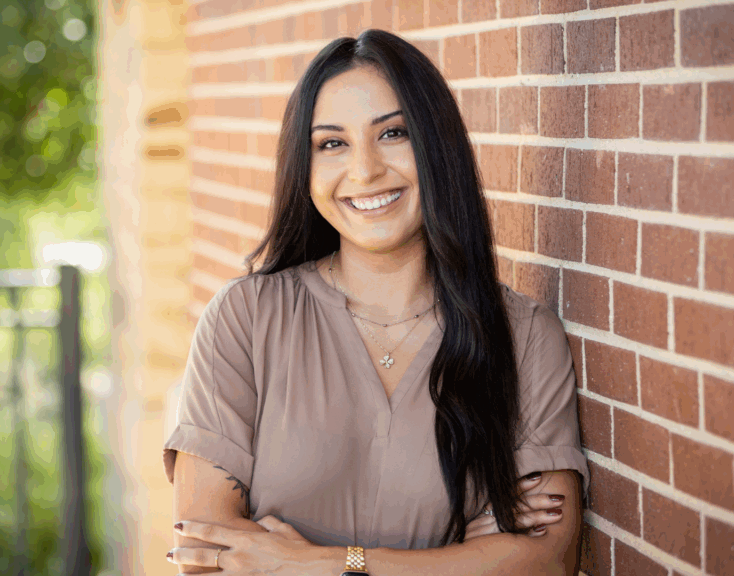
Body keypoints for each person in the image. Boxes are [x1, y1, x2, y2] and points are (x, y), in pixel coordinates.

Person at [162, 29, 588, 575]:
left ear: (437, 147)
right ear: (305, 167)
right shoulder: (247, 318)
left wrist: (314, 564)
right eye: (332, 143)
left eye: (393, 133)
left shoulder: (523, 335)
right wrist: (461, 560)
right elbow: (205, 556)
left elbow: (546, 564)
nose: (364, 171)